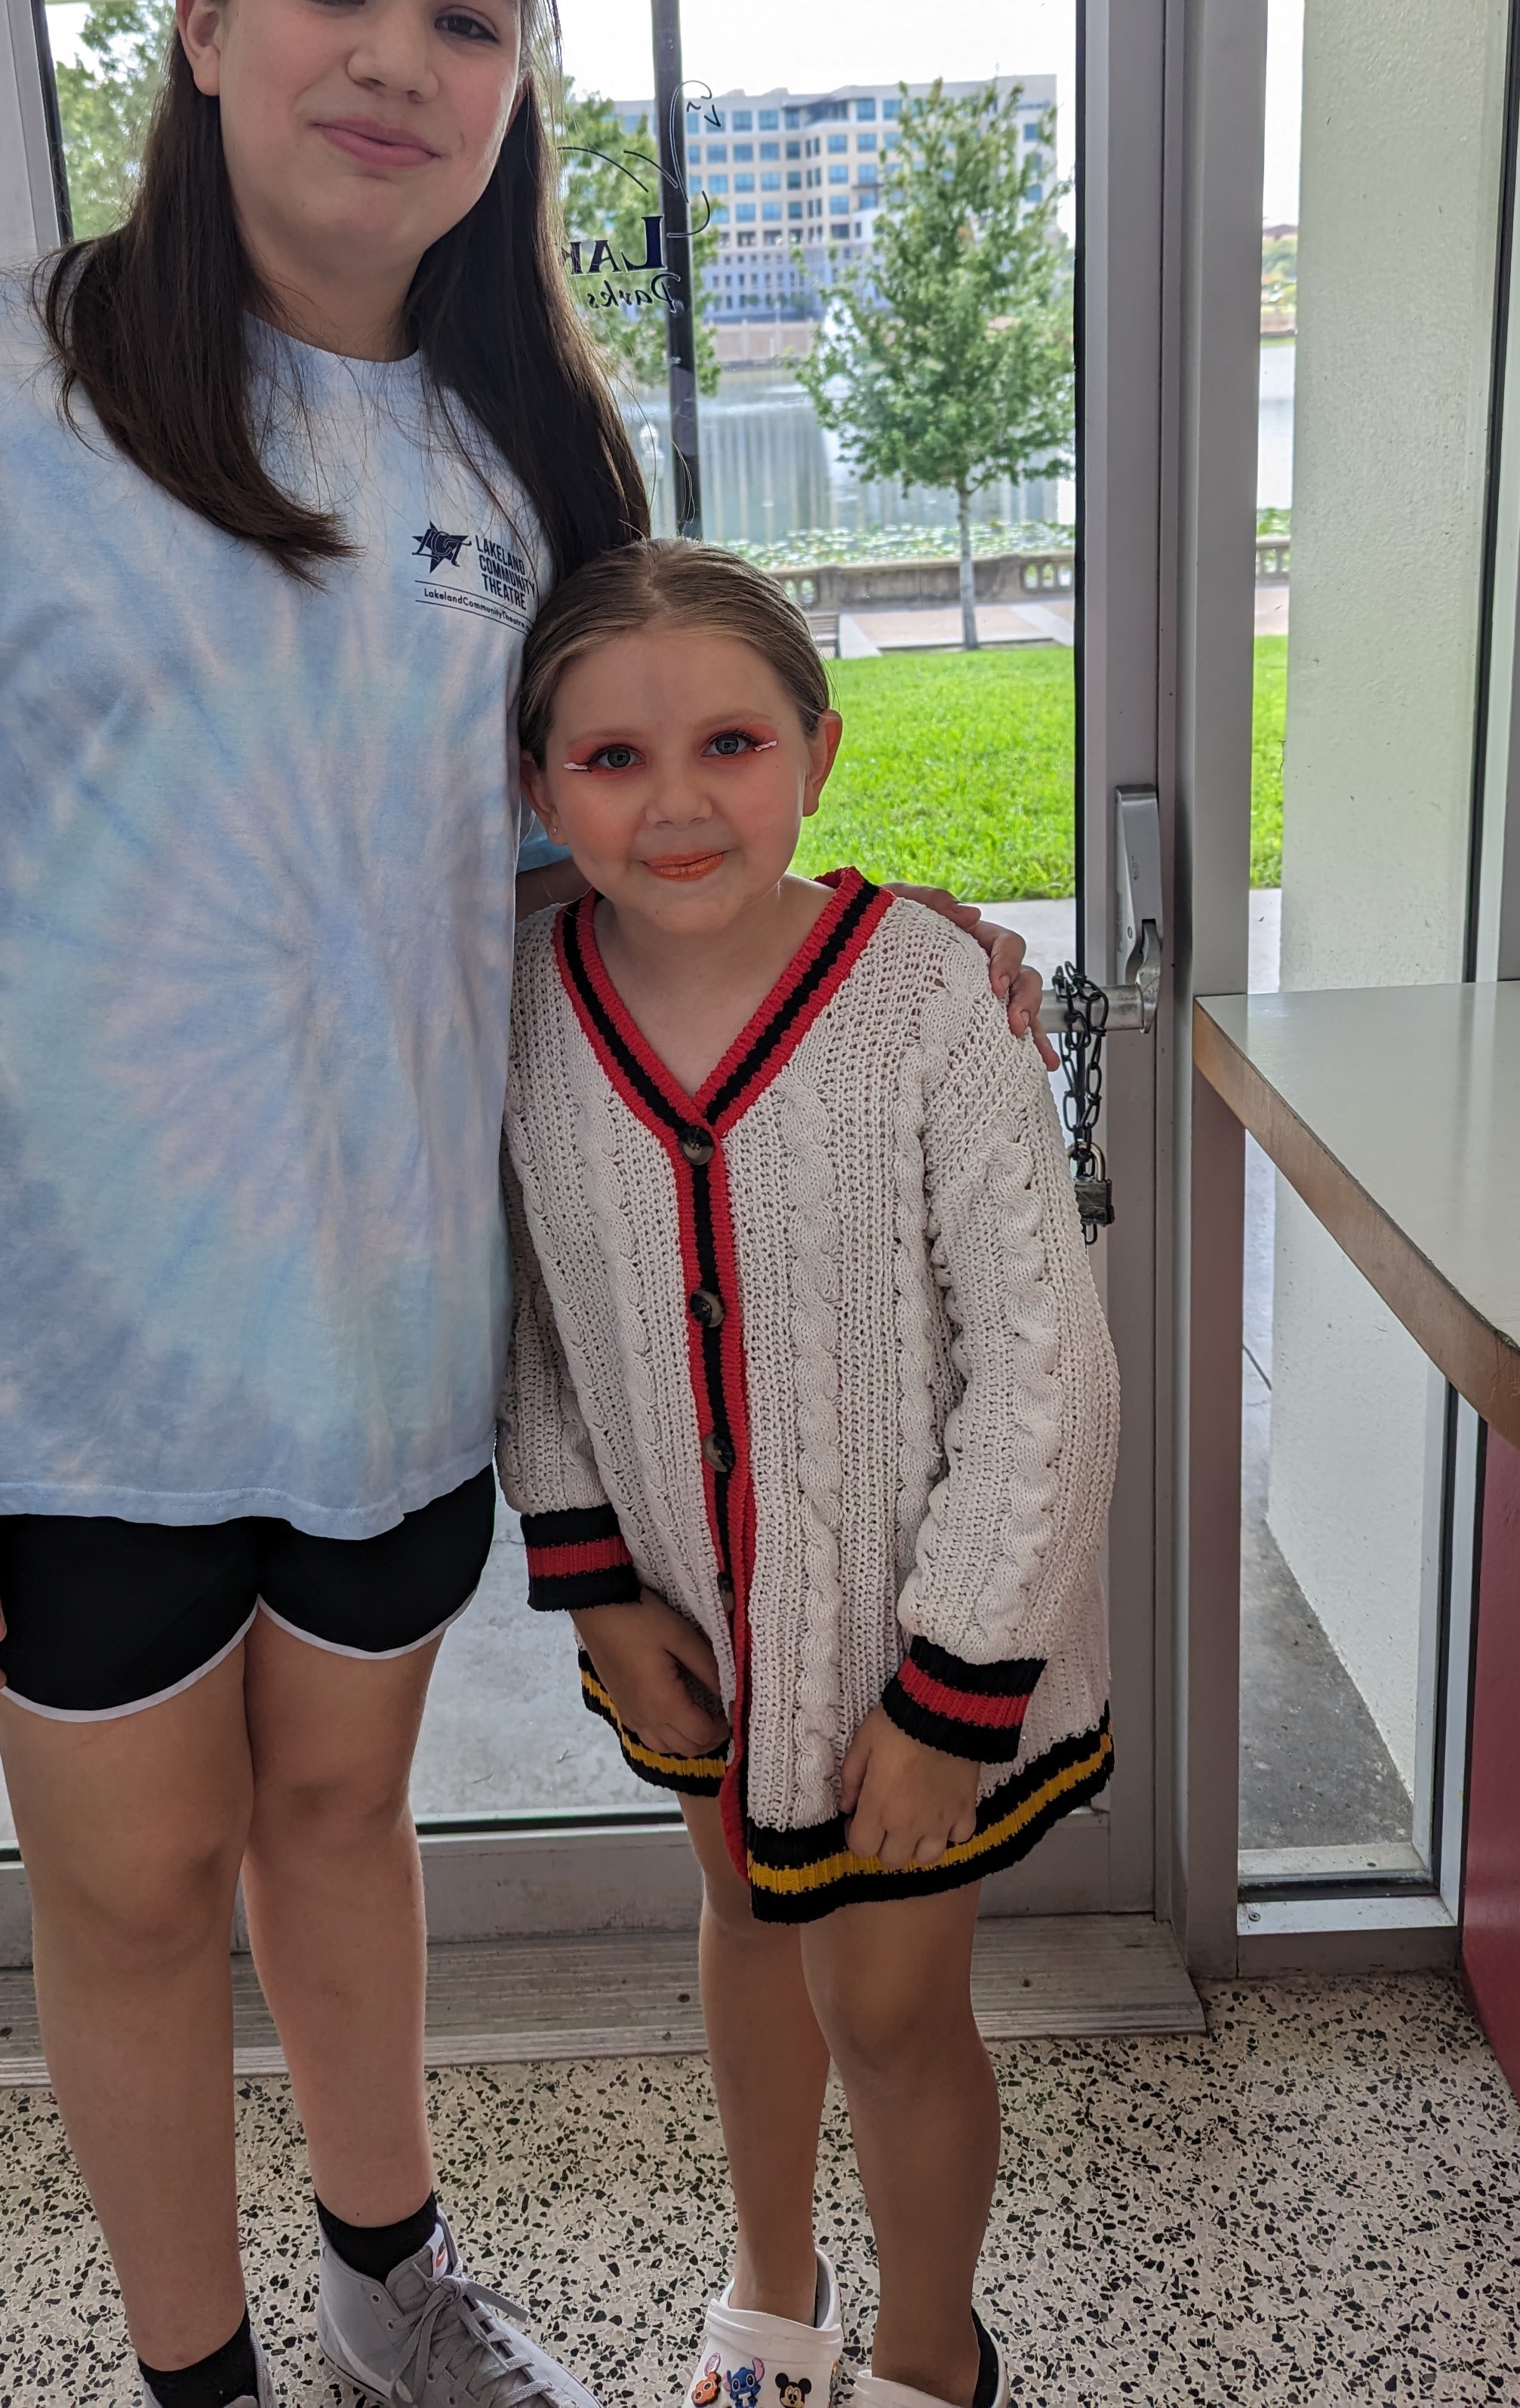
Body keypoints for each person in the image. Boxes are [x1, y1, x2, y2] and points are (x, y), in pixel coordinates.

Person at [0, 0, 1048, 2408]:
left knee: (339, 1826)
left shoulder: (530, 461)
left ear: (517, 80)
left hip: (393, 1353)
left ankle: (390, 2293)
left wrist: (880, 948)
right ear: (201, 23)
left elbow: (594, 874)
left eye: (469, 11)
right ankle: (200, 2382)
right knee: (135, 1896)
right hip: (62, 1382)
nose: (398, 54)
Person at [498, 541, 1118, 2408]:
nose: (678, 803)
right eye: (611, 759)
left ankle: (933, 2355)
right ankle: (774, 2295)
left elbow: (1047, 1368)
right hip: (692, 1627)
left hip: (920, 1649)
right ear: (537, 786)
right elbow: (531, 1325)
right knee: (748, 1925)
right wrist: (596, 1586)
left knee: (893, 2008)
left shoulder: (924, 1001)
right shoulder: (521, 1009)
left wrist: (949, 1695)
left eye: (732, 743)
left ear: (819, 752)